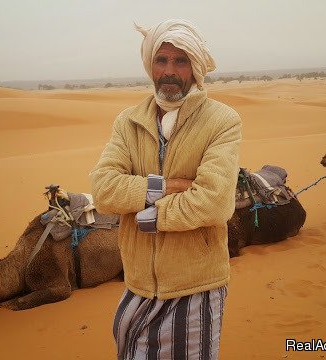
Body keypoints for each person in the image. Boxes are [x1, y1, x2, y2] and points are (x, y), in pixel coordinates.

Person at [89, 19, 242, 360]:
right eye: (162, 60)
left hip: (196, 286)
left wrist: (147, 216)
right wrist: (166, 186)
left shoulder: (222, 121)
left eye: (181, 61)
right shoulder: (128, 122)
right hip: (138, 285)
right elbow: (103, 189)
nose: (170, 71)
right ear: (150, 66)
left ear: (195, 68)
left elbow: (213, 202)